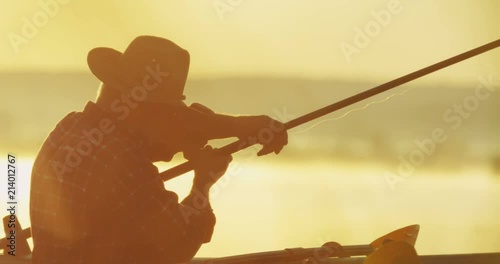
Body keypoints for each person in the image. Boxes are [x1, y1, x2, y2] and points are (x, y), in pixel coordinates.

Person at [29, 35, 288, 264]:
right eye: (166, 110)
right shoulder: (123, 158)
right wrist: (203, 184)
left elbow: (162, 126)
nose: (170, 119)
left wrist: (233, 125)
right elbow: (176, 245)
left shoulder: (68, 127)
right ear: (143, 108)